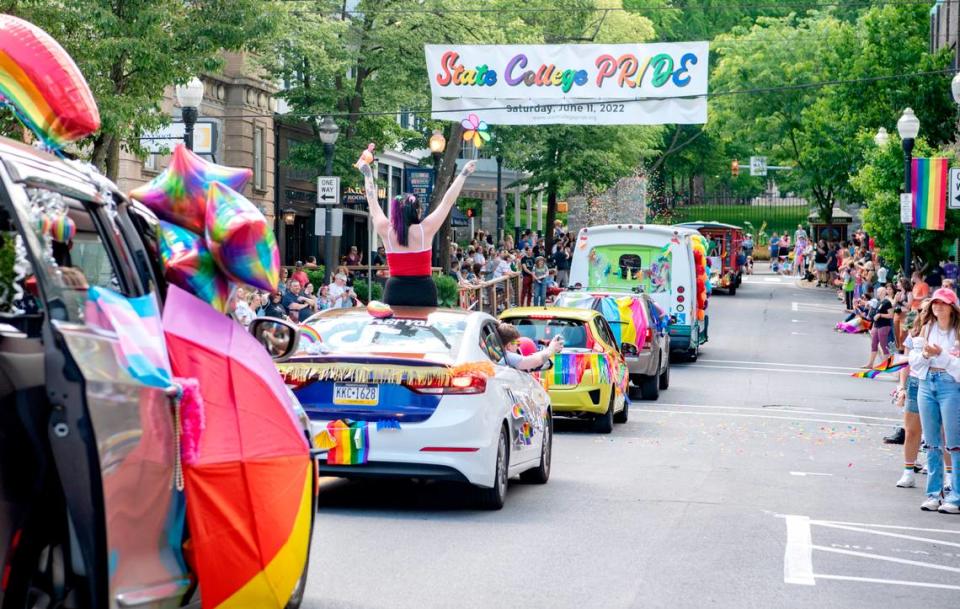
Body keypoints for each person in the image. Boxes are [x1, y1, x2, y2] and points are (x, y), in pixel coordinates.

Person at [358, 157, 476, 307]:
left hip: (395, 290)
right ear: (416, 212)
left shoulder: (385, 229)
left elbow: (372, 202)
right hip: (423, 289)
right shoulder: (424, 229)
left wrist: (367, 174)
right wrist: (463, 174)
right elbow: (447, 201)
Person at [908, 287, 960, 513]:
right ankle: (933, 494)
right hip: (926, 383)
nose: (938, 306)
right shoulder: (926, 329)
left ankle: (955, 497)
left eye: (943, 303)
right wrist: (927, 355)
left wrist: (942, 355)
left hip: (950, 385)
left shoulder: (957, 333)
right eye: (935, 303)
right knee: (931, 443)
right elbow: (914, 363)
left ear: (951, 307)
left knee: (954, 443)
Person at [894, 301, 933, 486]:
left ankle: (935, 468)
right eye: (924, 309)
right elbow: (905, 363)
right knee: (911, 431)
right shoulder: (913, 334)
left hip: (937, 383)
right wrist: (901, 388)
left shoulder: (947, 333)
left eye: (929, 308)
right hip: (915, 383)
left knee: (937, 432)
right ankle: (908, 471)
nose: (927, 311)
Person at [496, 322, 563, 371]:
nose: (518, 346)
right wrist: (551, 349)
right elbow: (535, 361)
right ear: (509, 346)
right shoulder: (509, 357)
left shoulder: (498, 354)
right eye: (517, 342)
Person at [867, 287, 894, 368]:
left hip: (884, 325)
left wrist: (880, 315)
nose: (877, 293)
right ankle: (870, 364)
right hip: (877, 325)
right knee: (873, 344)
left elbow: (891, 315)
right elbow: (875, 314)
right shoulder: (879, 302)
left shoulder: (887, 302)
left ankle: (885, 364)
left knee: (883, 345)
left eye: (878, 291)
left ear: (883, 292)